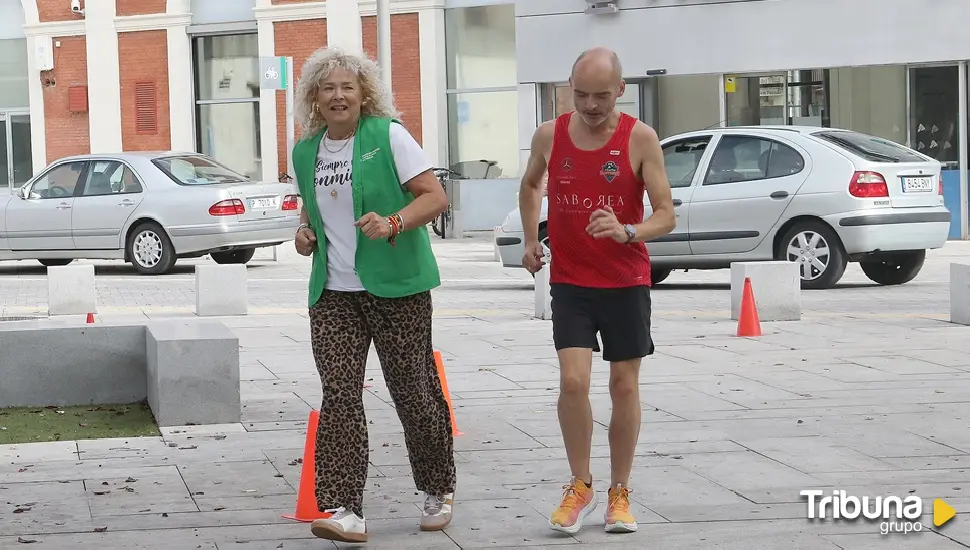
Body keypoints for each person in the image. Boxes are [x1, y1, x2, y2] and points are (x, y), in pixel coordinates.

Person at [289, 46, 457, 544]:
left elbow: (435, 197)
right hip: (334, 292)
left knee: (413, 390)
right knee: (339, 396)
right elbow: (312, 216)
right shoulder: (306, 151)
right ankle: (344, 509)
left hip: (396, 288)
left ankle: (437, 487)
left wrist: (394, 223)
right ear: (314, 99)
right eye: (328, 88)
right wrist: (304, 235)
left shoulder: (389, 136)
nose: (338, 95)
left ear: (365, 94)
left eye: (348, 86)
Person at [517, 47, 676, 535]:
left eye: (601, 96)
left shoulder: (640, 138)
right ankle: (580, 483)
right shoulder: (550, 134)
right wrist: (530, 239)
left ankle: (619, 491)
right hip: (571, 281)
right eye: (581, 94)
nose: (589, 105)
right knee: (572, 383)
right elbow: (530, 185)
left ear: (621, 91)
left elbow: (666, 215)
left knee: (623, 386)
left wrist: (629, 231)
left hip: (625, 282)